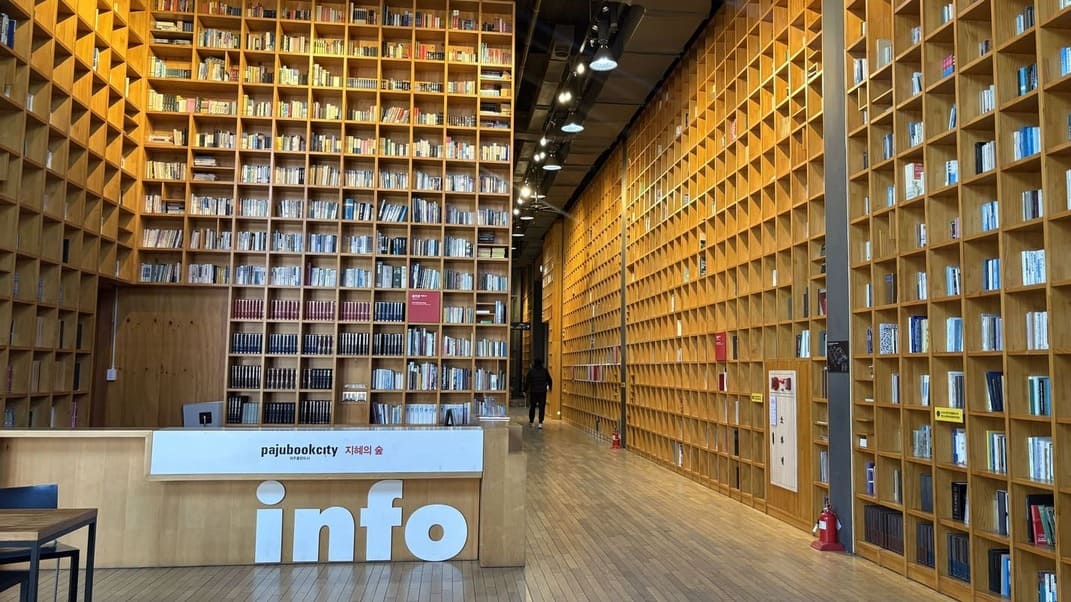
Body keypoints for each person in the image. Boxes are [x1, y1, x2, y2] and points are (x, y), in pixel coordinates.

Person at [524, 358, 552, 428]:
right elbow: (550, 380)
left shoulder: (531, 371)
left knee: (532, 407)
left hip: (533, 391)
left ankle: (531, 421)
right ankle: (540, 423)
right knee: (541, 407)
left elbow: (527, 381)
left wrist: (525, 390)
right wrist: (550, 387)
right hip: (542, 392)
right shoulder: (544, 371)